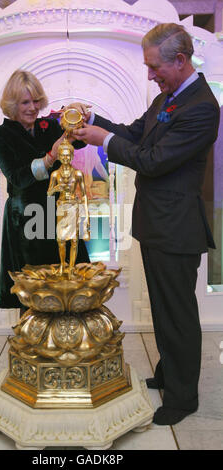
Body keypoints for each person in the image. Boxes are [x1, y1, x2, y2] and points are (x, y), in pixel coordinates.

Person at [70, 23, 220, 425]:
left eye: (154, 67)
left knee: (178, 315)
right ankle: (170, 373)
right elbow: (136, 135)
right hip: (157, 224)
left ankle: (184, 398)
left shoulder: (202, 107)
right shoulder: (168, 98)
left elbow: (152, 160)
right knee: (163, 308)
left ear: (181, 60)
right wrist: (96, 121)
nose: (150, 75)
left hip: (177, 228)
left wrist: (102, 140)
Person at [0, 70, 89, 316]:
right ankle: (34, 343)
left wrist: (74, 116)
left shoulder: (50, 126)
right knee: (34, 284)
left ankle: (66, 337)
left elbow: (80, 140)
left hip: (58, 211)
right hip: (26, 216)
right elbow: (17, 177)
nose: (33, 108)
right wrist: (50, 157)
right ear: (13, 104)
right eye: (26, 102)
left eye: (36, 101)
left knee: (68, 276)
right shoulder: (0, 136)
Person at [47, 139, 90, 278]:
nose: (65, 158)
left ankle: (71, 267)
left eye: (68, 155)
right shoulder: (55, 174)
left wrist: (86, 219)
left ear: (72, 156)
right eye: (63, 155)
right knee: (60, 240)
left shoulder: (77, 174)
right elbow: (48, 193)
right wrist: (56, 188)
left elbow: (83, 196)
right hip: (61, 206)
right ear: (59, 156)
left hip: (73, 206)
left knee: (74, 240)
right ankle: (62, 265)